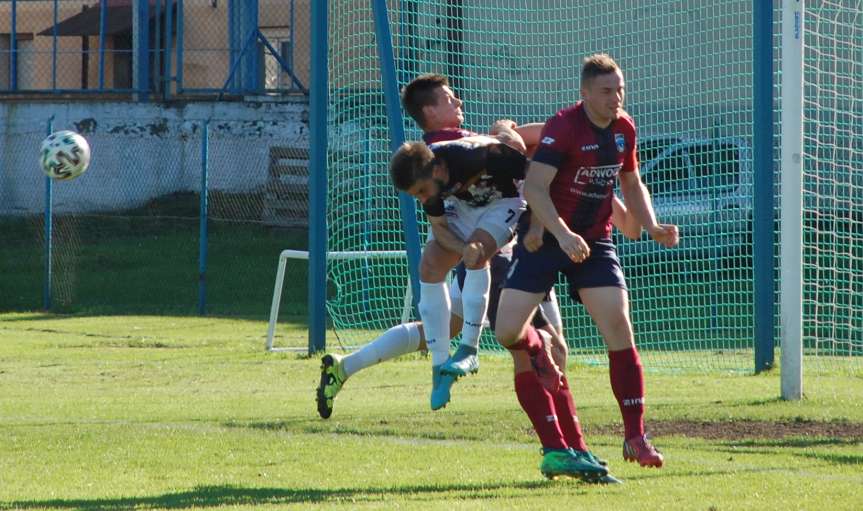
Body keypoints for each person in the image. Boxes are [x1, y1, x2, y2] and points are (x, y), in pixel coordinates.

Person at [495, 54, 679, 470]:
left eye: (620, 89)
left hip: (595, 242)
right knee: (508, 332)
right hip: (546, 238)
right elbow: (537, 190)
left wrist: (650, 226)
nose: (616, 98)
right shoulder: (564, 126)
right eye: (606, 91)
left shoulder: (624, 128)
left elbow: (631, 182)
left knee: (618, 322)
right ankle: (538, 343)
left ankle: (636, 436)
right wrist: (561, 233)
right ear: (584, 93)